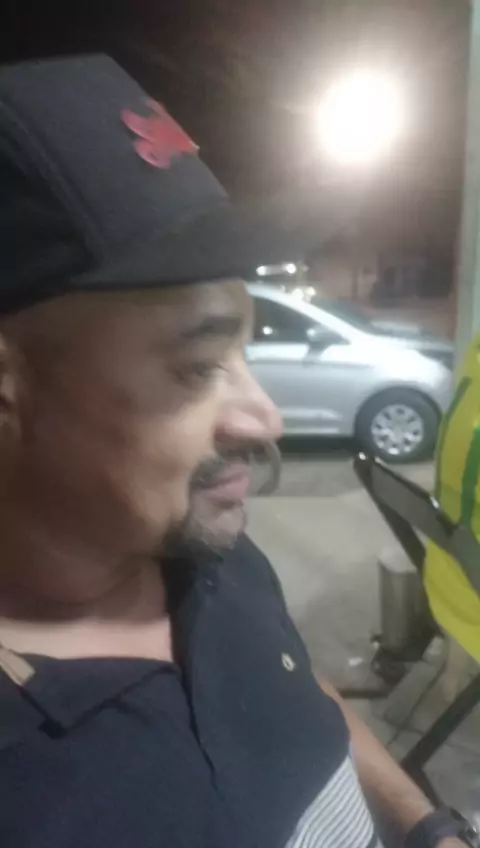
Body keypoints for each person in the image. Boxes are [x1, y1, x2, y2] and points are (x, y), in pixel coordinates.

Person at [0, 52, 467, 848]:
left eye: (244, 352)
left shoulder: (208, 552)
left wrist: (426, 827)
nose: (265, 418)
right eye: (197, 367)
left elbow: (297, 692)